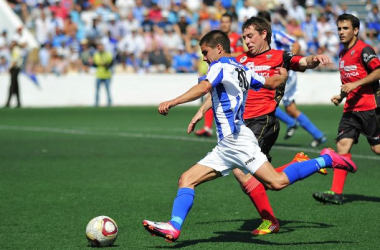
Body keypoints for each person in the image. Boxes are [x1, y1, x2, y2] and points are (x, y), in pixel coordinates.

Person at [142, 30, 356, 243]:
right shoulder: (242, 68)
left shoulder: (220, 66)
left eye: (205, 52)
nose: (204, 57)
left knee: (276, 182)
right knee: (186, 179)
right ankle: (174, 226)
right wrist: (281, 76)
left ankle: (327, 158)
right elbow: (269, 84)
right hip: (225, 145)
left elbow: (204, 87)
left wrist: (173, 101)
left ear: (218, 48)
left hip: (238, 141)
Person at [232, 15, 329, 236]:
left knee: (241, 170)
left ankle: (270, 221)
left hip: (263, 122)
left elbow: (303, 62)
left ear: (263, 34)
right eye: (244, 37)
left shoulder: (280, 56)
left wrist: (316, 58)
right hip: (243, 124)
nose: (246, 41)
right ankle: (304, 163)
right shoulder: (240, 60)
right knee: (263, 180)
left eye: (250, 36)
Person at [313, 14, 380, 205]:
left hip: (369, 108)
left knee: (377, 148)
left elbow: (378, 71)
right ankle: (336, 193)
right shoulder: (342, 54)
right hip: (350, 109)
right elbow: (348, 83)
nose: (341, 32)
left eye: (345, 28)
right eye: (339, 28)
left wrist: (355, 84)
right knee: (342, 147)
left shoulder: (364, 50)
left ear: (356, 30)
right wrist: (341, 96)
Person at [256, 11, 327, 147]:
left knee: (265, 101)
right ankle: (318, 134)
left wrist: (289, 61)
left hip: (284, 74)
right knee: (290, 109)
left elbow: (295, 44)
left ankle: (290, 123)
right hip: (279, 75)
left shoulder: (275, 34)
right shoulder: (261, 39)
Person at [195, 13, 244, 137]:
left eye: (227, 22)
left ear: (231, 23)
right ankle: (208, 127)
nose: (224, 24)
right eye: (222, 22)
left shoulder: (236, 38)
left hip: (230, 72)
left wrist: (225, 56)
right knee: (211, 96)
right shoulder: (215, 38)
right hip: (218, 71)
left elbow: (241, 54)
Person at [93, 42, 113, 107]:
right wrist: (104, 63)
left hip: (107, 75)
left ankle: (109, 103)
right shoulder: (96, 54)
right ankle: (96, 103)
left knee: (107, 90)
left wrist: (103, 63)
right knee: (97, 90)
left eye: (101, 47)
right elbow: (97, 62)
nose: (100, 48)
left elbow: (110, 61)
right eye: (99, 47)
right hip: (99, 74)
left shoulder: (108, 54)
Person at [5, 40, 23, 108]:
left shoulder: (16, 50)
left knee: (12, 86)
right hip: (15, 69)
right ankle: (18, 102)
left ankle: (8, 102)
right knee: (15, 86)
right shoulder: (16, 50)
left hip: (14, 69)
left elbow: (15, 60)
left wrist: (10, 68)